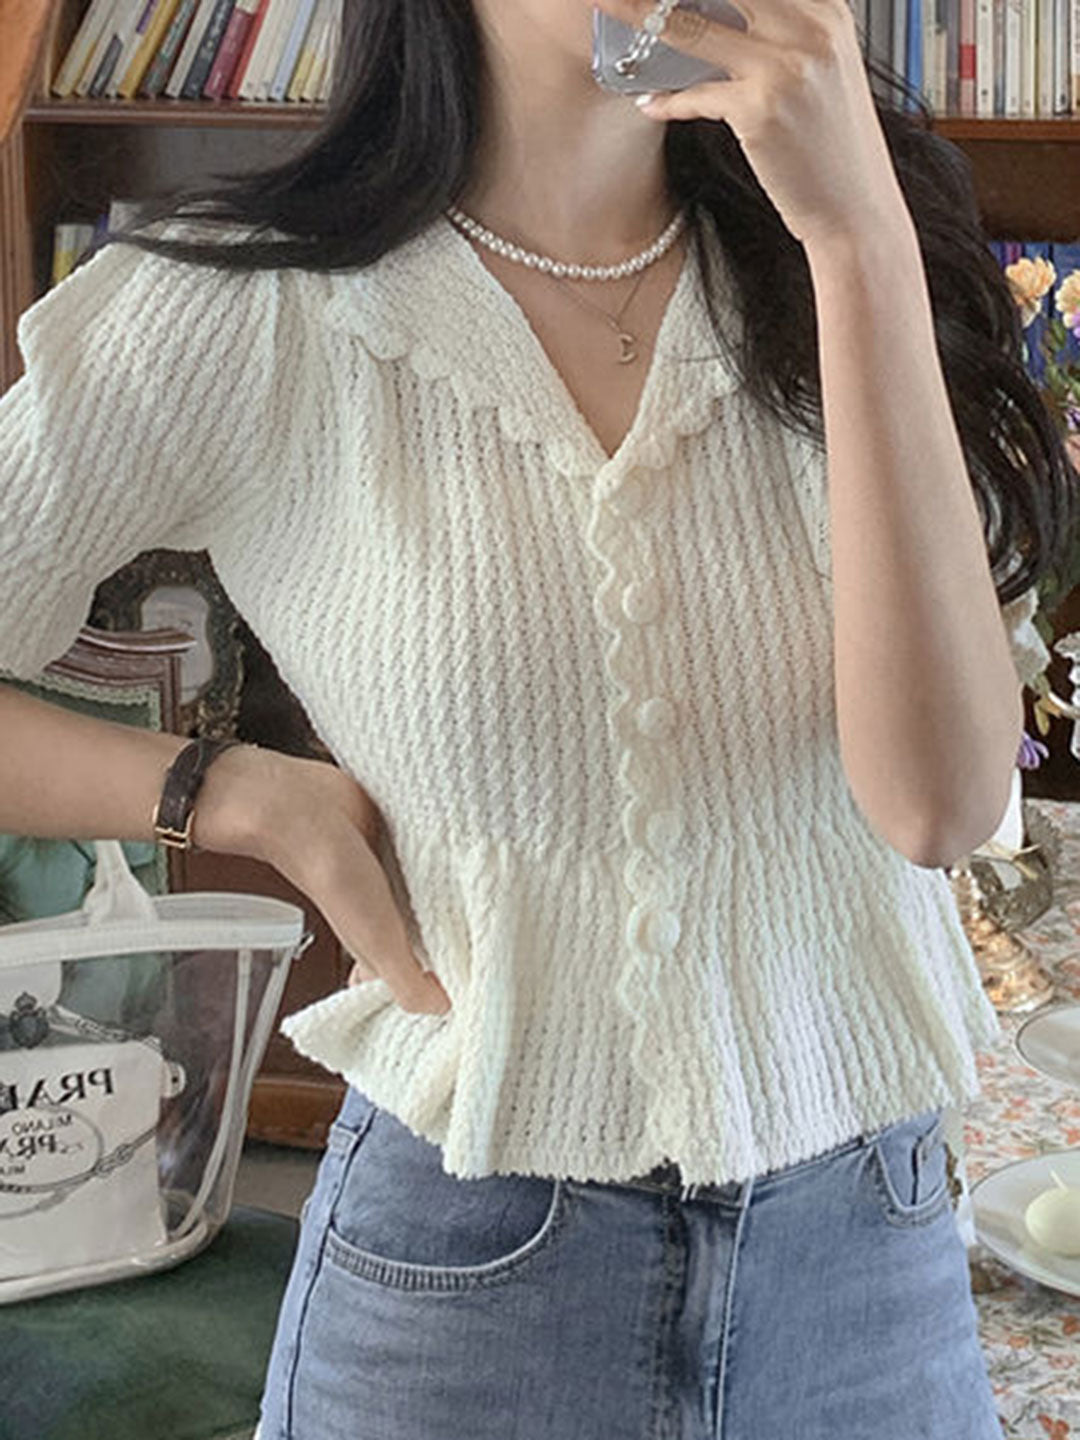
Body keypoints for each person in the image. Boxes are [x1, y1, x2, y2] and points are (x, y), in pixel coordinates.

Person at [0, 0, 1074, 1435]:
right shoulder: (255, 310)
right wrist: (227, 790)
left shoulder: (845, 259)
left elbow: (939, 803)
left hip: (866, 1257)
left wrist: (858, 237)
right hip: (469, 1268)